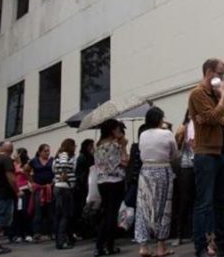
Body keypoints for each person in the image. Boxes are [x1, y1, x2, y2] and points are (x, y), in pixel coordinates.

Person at [187, 58, 224, 257]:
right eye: (220, 73)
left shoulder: (214, 95)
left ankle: (223, 246)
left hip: (221, 152)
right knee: (204, 203)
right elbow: (212, 117)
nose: (222, 78)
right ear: (209, 72)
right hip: (205, 153)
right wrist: (222, 100)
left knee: (221, 202)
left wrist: (214, 113)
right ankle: (200, 248)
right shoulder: (198, 93)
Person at [134, 106, 180, 257]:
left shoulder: (142, 134)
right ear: (160, 119)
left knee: (143, 207)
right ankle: (161, 247)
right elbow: (174, 154)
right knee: (163, 207)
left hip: (145, 171)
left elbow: (141, 152)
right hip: (162, 169)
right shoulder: (167, 133)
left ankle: (143, 246)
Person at [94, 118, 130, 257]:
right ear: (112, 130)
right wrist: (124, 146)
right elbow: (125, 162)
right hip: (115, 182)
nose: (119, 131)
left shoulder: (98, 146)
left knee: (106, 213)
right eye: (117, 129)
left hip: (102, 182)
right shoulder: (115, 146)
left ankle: (102, 246)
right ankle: (106, 245)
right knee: (112, 215)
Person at [172, 112, 195, 246]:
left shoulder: (201, 125)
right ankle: (179, 234)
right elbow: (177, 146)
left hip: (199, 163)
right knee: (184, 200)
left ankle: (196, 232)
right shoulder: (184, 126)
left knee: (198, 200)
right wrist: (180, 135)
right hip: (187, 165)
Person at [53, 138, 78, 249]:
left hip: (59, 187)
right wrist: (64, 174)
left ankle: (59, 239)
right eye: (74, 146)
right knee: (65, 215)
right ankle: (61, 241)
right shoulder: (64, 155)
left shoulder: (57, 156)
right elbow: (63, 164)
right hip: (64, 187)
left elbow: (54, 168)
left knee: (59, 215)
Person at [29, 144, 55, 241]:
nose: (47, 153)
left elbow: (56, 171)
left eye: (48, 151)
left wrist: (53, 181)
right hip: (39, 188)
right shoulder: (34, 161)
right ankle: (36, 233)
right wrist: (31, 181)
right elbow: (25, 170)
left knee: (51, 210)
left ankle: (52, 232)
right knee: (38, 211)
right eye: (45, 151)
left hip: (49, 187)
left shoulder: (52, 160)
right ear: (40, 152)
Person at [75, 139, 96, 240]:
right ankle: (84, 231)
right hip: (84, 186)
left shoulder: (88, 157)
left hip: (88, 185)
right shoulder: (83, 158)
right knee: (85, 208)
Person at [11, 149, 34, 244]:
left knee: (25, 211)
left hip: (25, 189)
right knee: (17, 212)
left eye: (16, 153)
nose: (14, 155)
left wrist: (23, 170)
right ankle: (19, 234)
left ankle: (28, 233)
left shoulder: (26, 164)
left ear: (20, 154)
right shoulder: (12, 164)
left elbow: (30, 176)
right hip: (16, 190)